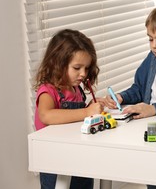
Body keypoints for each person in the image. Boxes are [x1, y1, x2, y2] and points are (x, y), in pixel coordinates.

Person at [34, 29, 104, 189]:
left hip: (78, 153)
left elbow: (73, 118)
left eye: (86, 68)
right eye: (77, 68)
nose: (83, 74)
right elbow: (46, 115)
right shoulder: (48, 90)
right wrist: (86, 112)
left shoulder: (76, 88)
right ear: (58, 63)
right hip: (55, 157)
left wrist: (91, 109)